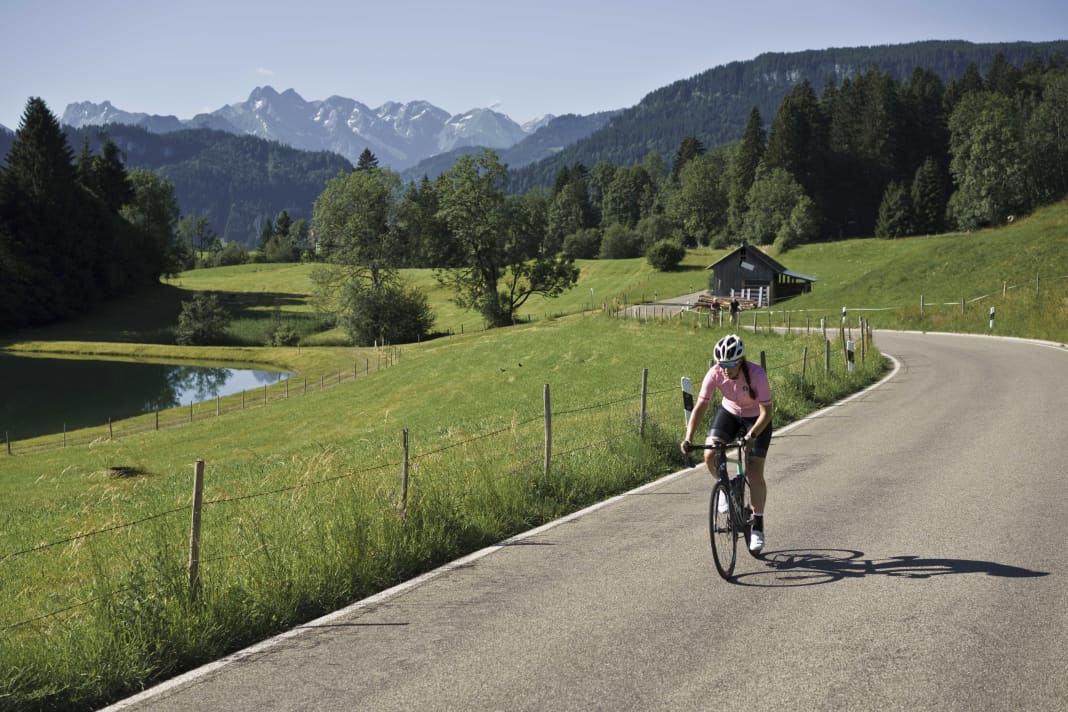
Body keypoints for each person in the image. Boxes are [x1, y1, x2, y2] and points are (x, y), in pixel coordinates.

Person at [680, 333, 773, 553]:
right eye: (721, 364)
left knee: (754, 471)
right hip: (730, 412)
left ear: (740, 361)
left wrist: (751, 436)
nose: (725, 369)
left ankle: (758, 526)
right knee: (710, 454)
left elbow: (767, 412)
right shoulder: (714, 374)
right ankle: (725, 488)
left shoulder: (757, 374)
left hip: (757, 419)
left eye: (730, 364)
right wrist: (688, 437)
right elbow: (701, 407)